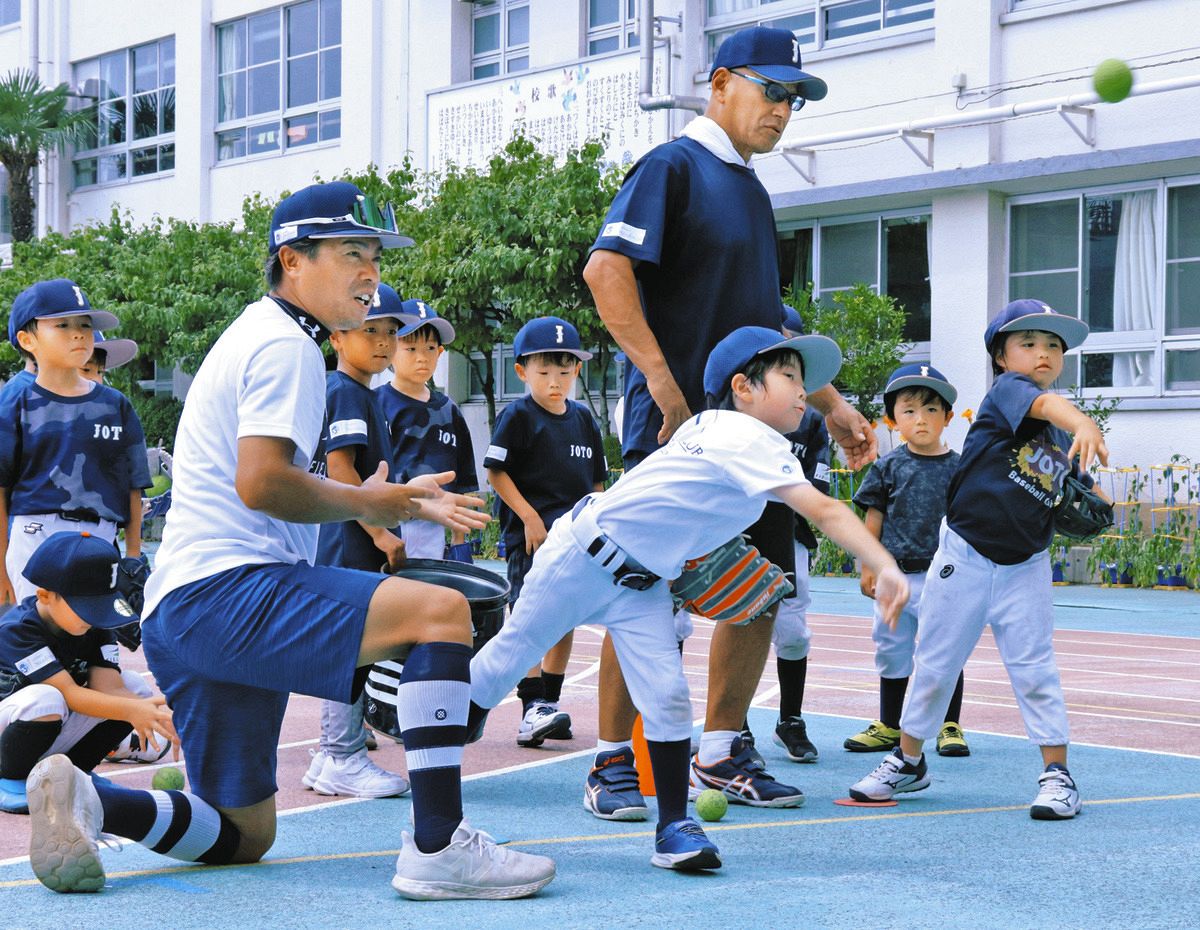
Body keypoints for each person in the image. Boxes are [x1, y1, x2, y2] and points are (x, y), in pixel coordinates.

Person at [23, 181, 555, 899]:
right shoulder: (285, 346)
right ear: (292, 259)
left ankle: (93, 801)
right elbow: (263, 482)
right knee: (442, 613)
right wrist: (377, 499)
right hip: (228, 591)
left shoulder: (263, 334)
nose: (370, 271)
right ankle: (438, 846)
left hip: (183, 610)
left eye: (374, 255)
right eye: (351, 253)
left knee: (244, 834)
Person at [469, 326, 908, 871]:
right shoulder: (745, 438)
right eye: (790, 377)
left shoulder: (716, 429)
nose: (804, 391)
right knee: (501, 665)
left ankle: (675, 826)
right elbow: (824, 510)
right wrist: (883, 563)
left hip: (643, 585)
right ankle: (436, 739)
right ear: (743, 387)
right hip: (580, 558)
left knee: (669, 699)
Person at [581, 25, 877, 819]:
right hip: (676, 428)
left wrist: (830, 402)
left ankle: (720, 749)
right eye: (770, 91)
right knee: (639, 594)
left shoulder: (750, 187)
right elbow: (605, 270)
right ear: (719, 85)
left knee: (760, 593)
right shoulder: (674, 167)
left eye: (793, 99)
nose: (782, 110)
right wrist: (663, 385)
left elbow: (762, 328)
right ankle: (610, 761)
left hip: (753, 433)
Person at [849, 299, 1109, 820]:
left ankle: (1057, 775)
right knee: (935, 664)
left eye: (1053, 345)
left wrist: (1098, 500)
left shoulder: (1059, 437)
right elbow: (1053, 409)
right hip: (964, 556)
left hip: (1025, 566)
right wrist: (1086, 422)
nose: (1043, 353)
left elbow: (1077, 491)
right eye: (1028, 343)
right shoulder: (1009, 394)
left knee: (1035, 668)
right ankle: (908, 759)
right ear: (1000, 356)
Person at [300, 289, 412, 799]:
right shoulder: (345, 390)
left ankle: (331, 755)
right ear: (338, 336)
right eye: (371, 330)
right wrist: (382, 534)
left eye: (391, 332)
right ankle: (340, 753)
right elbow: (343, 470)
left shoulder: (364, 393)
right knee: (349, 645)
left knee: (352, 646)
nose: (385, 341)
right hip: (350, 540)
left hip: (350, 537)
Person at [482, 317, 607, 748]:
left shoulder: (585, 421)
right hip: (532, 539)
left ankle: (550, 704)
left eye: (565, 371)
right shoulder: (518, 416)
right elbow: (496, 472)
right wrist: (530, 517)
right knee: (530, 617)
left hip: (575, 541)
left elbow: (596, 485)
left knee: (565, 619)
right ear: (521, 371)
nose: (555, 381)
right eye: (544, 371)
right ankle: (530, 708)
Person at [844, 364, 969, 757]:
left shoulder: (961, 467)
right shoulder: (887, 467)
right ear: (892, 419)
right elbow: (873, 519)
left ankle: (949, 724)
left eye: (932, 410)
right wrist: (869, 564)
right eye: (910, 410)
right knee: (892, 646)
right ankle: (890, 724)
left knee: (945, 649)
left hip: (946, 576)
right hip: (896, 576)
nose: (921, 419)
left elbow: (970, 521)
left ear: (948, 418)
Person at [0, 532, 175, 814]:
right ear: (44, 595)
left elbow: (110, 689)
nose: (96, 617)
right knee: (47, 698)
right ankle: (10, 778)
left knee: (135, 690)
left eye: (102, 608)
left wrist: (156, 712)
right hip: (8, 735)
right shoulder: (17, 631)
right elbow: (69, 694)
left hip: (46, 726)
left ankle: (74, 773)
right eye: (87, 608)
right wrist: (132, 710)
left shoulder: (94, 625)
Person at [0, 279, 149, 607]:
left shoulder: (114, 405)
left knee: (98, 640)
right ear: (29, 340)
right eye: (63, 325)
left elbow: (132, 483)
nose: (79, 334)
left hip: (99, 536)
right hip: (37, 533)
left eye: (85, 325)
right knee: (38, 638)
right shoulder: (15, 399)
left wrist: (134, 555)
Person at [377, 295, 478, 563]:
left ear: (441, 353)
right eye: (410, 349)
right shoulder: (376, 403)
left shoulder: (449, 410)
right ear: (390, 349)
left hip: (435, 524)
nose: (422, 358)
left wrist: (459, 541)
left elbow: (462, 481)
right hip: (389, 520)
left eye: (430, 348)